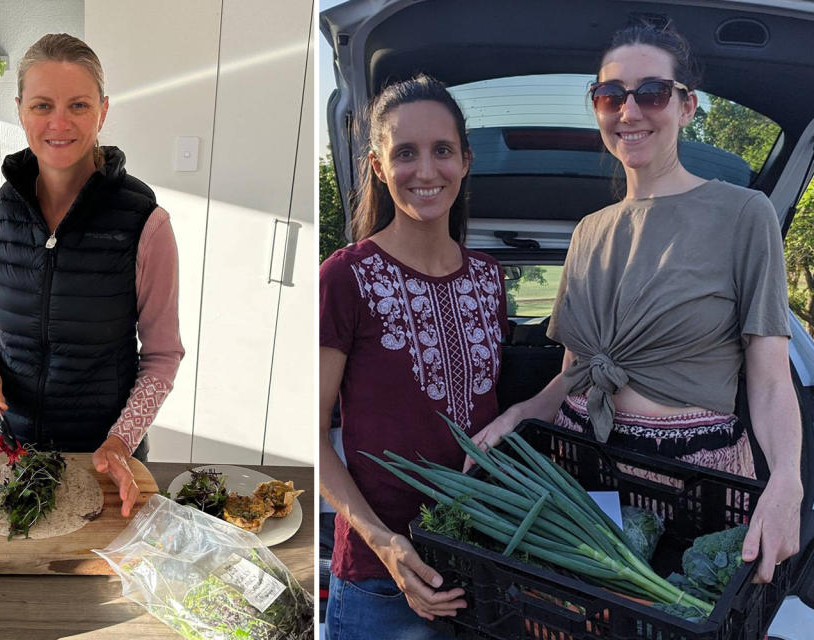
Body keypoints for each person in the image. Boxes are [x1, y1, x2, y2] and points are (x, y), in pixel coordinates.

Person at [468, 20, 802, 584]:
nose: (630, 110)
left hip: (694, 483)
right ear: (596, 106)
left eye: (651, 92)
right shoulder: (588, 231)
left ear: (686, 105)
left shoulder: (745, 215)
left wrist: (787, 480)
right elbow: (573, 373)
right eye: (610, 94)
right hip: (580, 469)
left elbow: (769, 380)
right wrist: (522, 411)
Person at [320, 74, 509, 639]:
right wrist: (384, 543)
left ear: (465, 161)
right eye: (405, 153)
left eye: (442, 150)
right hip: (381, 580)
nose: (426, 171)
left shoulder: (488, 279)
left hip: (479, 568)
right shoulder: (346, 276)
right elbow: (309, 433)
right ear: (378, 166)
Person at [0, 34, 184, 517]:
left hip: (101, 456)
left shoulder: (146, 224)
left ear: (102, 112)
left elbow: (163, 355)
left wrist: (122, 442)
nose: (59, 123)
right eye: (42, 105)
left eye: (78, 105)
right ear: (21, 110)